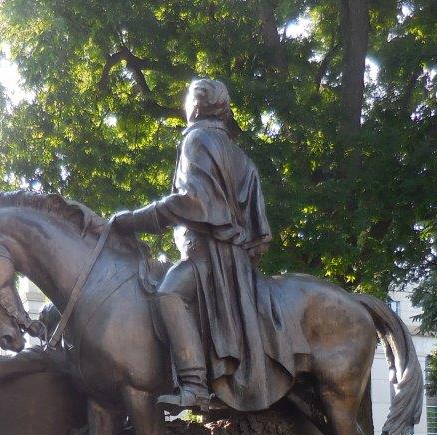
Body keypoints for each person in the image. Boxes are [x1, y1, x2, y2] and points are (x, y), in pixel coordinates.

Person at [111, 78, 305, 412]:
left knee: (167, 295)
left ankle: (194, 384)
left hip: (206, 256)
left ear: (197, 106)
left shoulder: (197, 140)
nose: (185, 104)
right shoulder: (241, 157)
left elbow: (192, 202)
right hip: (238, 263)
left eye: (187, 98)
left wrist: (133, 219)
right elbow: (259, 236)